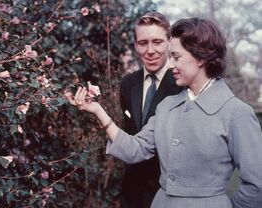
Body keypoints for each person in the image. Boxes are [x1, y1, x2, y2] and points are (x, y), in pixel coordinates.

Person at [69, 17, 262, 208]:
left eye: (176, 57)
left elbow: (256, 186)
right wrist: (97, 110)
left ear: (201, 58)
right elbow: (135, 149)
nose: (169, 65)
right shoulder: (167, 106)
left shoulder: (237, 113)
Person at [119, 11, 182, 208]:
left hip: (169, 193)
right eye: (143, 43)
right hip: (132, 194)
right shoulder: (128, 84)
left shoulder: (183, 83)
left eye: (157, 42)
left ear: (169, 42)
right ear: (136, 45)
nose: (150, 50)